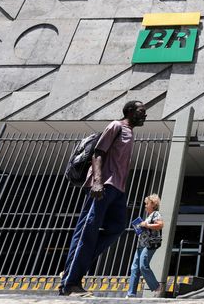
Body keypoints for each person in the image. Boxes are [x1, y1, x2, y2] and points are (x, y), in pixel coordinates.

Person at [60, 100, 147, 296]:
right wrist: (97, 181)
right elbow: (98, 154)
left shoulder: (130, 133)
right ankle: (70, 283)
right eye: (142, 111)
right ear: (130, 111)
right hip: (103, 185)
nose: (145, 115)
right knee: (87, 231)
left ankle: (74, 266)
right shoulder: (116, 126)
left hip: (118, 189)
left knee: (116, 228)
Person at [127, 194, 165, 298]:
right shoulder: (148, 216)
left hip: (149, 244)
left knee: (143, 266)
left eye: (147, 204)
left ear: (153, 204)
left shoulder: (156, 214)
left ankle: (157, 286)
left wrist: (146, 225)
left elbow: (160, 225)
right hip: (140, 245)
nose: (145, 206)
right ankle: (131, 294)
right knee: (134, 268)